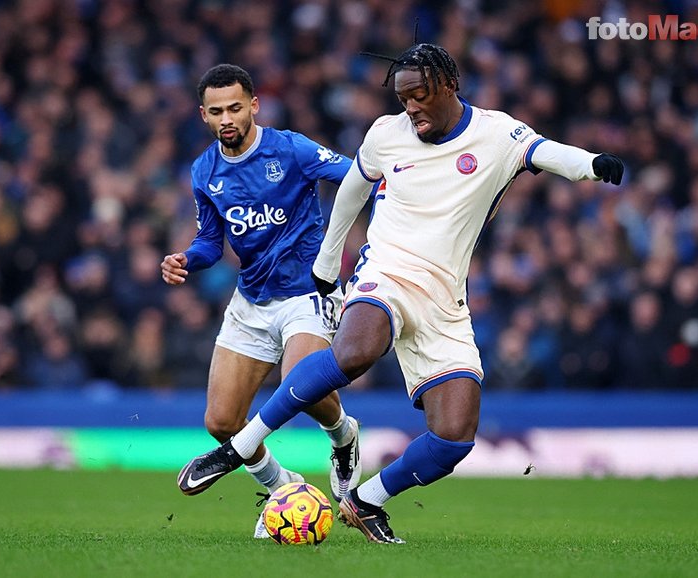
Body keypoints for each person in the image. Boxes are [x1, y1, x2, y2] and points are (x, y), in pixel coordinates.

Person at [177, 45, 624, 543]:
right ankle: (240, 447)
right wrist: (328, 264)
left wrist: (590, 164)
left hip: (445, 299)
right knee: (353, 351)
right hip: (385, 270)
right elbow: (351, 189)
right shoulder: (386, 134)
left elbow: (545, 151)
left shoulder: (497, 134)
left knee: (454, 437)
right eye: (402, 97)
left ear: (449, 86)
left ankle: (365, 500)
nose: (409, 107)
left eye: (418, 95)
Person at [163, 64, 362, 538]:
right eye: (217, 111)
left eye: (235, 107)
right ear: (203, 116)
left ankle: (344, 436)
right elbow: (212, 241)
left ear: (254, 105)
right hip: (250, 301)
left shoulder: (291, 149)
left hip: (306, 295)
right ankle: (282, 488)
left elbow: (358, 176)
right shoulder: (204, 170)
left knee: (300, 381)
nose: (227, 118)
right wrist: (188, 259)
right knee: (221, 421)